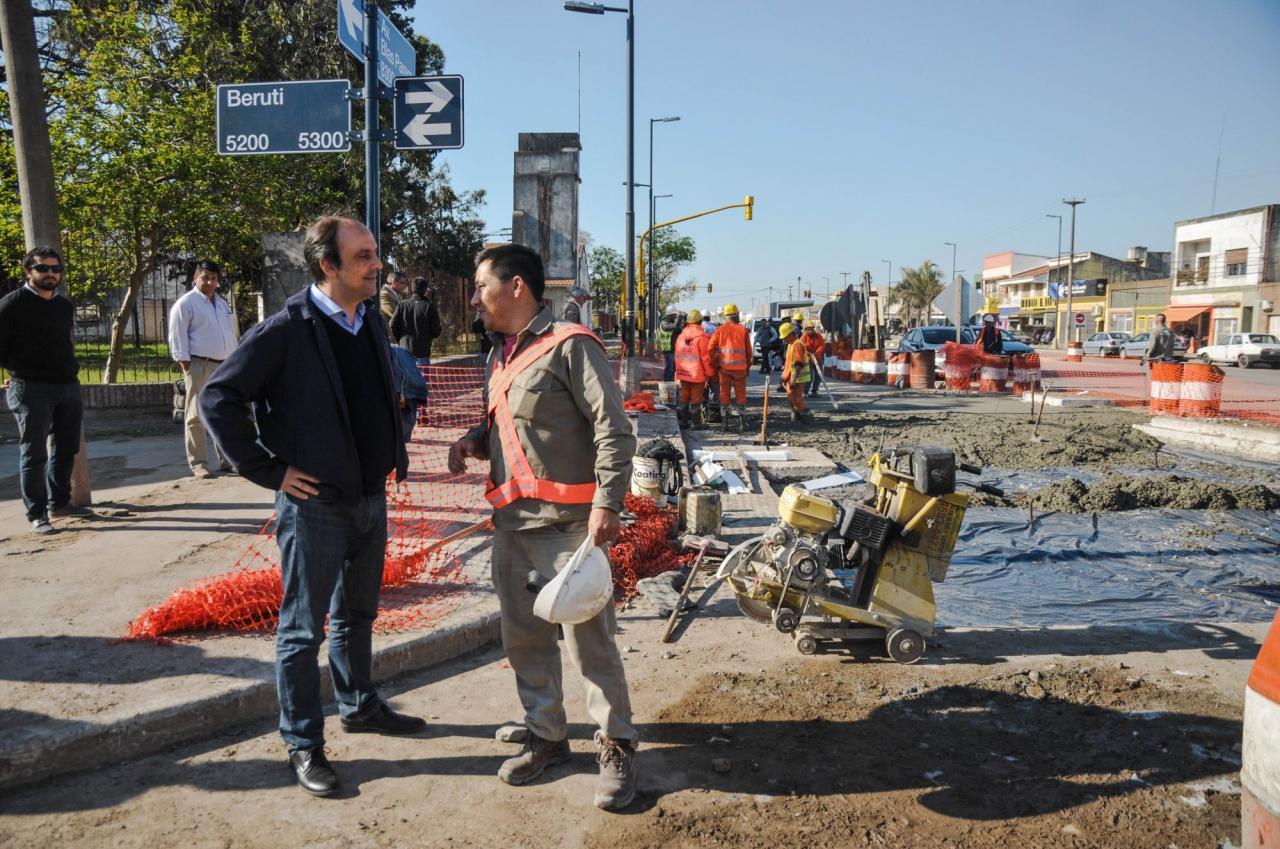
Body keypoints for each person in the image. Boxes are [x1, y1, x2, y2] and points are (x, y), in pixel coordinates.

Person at [200, 215, 421, 798]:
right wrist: (269, 470)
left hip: (369, 498)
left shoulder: (369, 319)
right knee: (302, 631)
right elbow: (218, 398)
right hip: (314, 507)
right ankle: (303, 742)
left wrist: (392, 449)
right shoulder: (285, 330)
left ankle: (359, 704)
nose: (377, 264)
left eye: (375, 253)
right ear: (328, 265)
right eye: (364, 256)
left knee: (358, 615)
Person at [446, 243, 639, 812]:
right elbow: (511, 427)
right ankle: (547, 735)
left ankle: (617, 743)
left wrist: (608, 503)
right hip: (511, 527)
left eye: (481, 286)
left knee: (590, 645)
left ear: (516, 287)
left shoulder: (572, 344)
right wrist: (474, 441)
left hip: (569, 528)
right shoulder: (498, 354)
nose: (474, 298)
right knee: (524, 640)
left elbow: (613, 429)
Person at [0, 247, 86, 534]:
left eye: (55, 268)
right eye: (43, 268)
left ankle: (59, 503)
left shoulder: (63, 305)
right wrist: (13, 374)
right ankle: (37, 514)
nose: (50, 273)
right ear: (28, 271)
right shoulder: (11, 305)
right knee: (34, 453)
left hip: (67, 385)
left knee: (67, 448)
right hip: (31, 387)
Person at [168, 260, 239, 479]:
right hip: (199, 364)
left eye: (213, 278)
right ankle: (198, 463)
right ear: (195, 278)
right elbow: (177, 336)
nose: (209, 282)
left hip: (224, 365)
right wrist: (186, 364)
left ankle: (227, 460)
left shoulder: (222, 304)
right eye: (205, 277)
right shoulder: (186, 303)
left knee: (223, 412)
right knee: (196, 414)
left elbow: (230, 332)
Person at [708, 303, 750, 427]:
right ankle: (742, 424)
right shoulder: (743, 330)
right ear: (736, 315)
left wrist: (715, 364)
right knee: (741, 396)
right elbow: (749, 352)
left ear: (726, 316)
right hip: (740, 370)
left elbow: (710, 348)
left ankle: (724, 425)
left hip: (724, 369)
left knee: (724, 396)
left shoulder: (720, 330)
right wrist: (747, 368)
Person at [674, 309, 715, 429]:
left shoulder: (681, 337)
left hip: (683, 373)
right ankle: (696, 424)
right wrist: (710, 374)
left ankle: (683, 422)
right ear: (700, 322)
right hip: (697, 374)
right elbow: (706, 359)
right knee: (696, 398)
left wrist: (678, 373)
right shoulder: (702, 338)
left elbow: (677, 356)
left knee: (684, 396)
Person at [390, 276, 444, 366]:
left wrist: (400, 339)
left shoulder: (402, 304)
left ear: (412, 288)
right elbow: (436, 331)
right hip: (422, 352)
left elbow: (392, 324)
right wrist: (428, 337)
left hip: (404, 351)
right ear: (425, 290)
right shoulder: (429, 306)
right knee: (422, 375)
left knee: (405, 375)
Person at [779, 322, 816, 425]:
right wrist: (783, 379)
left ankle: (807, 419)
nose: (783, 339)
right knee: (791, 399)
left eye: (785, 337)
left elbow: (798, 364)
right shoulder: (791, 345)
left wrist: (793, 379)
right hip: (792, 378)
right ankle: (796, 419)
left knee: (797, 400)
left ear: (791, 334)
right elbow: (788, 364)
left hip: (798, 379)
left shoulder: (797, 345)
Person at [656, 305, 682, 382]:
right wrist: (679, 318)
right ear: (670, 314)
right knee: (669, 368)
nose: (676, 316)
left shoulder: (672, 322)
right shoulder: (664, 323)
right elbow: (674, 327)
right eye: (675, 314)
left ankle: (671, 384)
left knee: (673, 369)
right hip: (667, 349)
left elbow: (678, 329)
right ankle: (667, 384)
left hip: (673, 349)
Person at [800, 322, 826, 397]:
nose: (810, 331)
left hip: (817, 358)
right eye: (808, 329)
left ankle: (814, 390)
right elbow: (801, 347)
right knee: (809, 376)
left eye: (812, 329)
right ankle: (805, 391)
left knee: (819, 375)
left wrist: (816, 353)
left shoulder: (818, 336)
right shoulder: (803, 337)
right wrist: (808, 353)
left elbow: (822, 346)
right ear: (805, 330)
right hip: (808, 359)